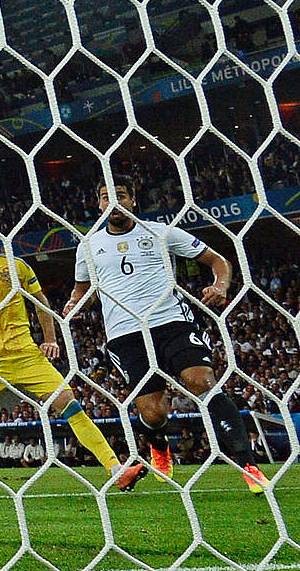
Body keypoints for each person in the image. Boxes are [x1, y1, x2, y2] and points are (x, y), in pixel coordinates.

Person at [0, 216, 146, 497]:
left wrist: (50, 339)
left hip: (25, 354)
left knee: (69, 404)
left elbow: (41, 304)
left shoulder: (15, 267)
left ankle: (116, 470)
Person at [64, 181, 270, 494]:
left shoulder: (161, 231)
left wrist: (221, 285)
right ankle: (159, 447)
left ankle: (249, 466)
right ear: (99, 205)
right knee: (153, 412)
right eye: (106, 197)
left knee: (201, 381)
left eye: (119, 195)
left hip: (170, 321)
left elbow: (218, 261)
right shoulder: (88, 246)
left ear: (132, 200)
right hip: (124, 334)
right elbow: (82, 293)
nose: (113, 202)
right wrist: (74, 306)